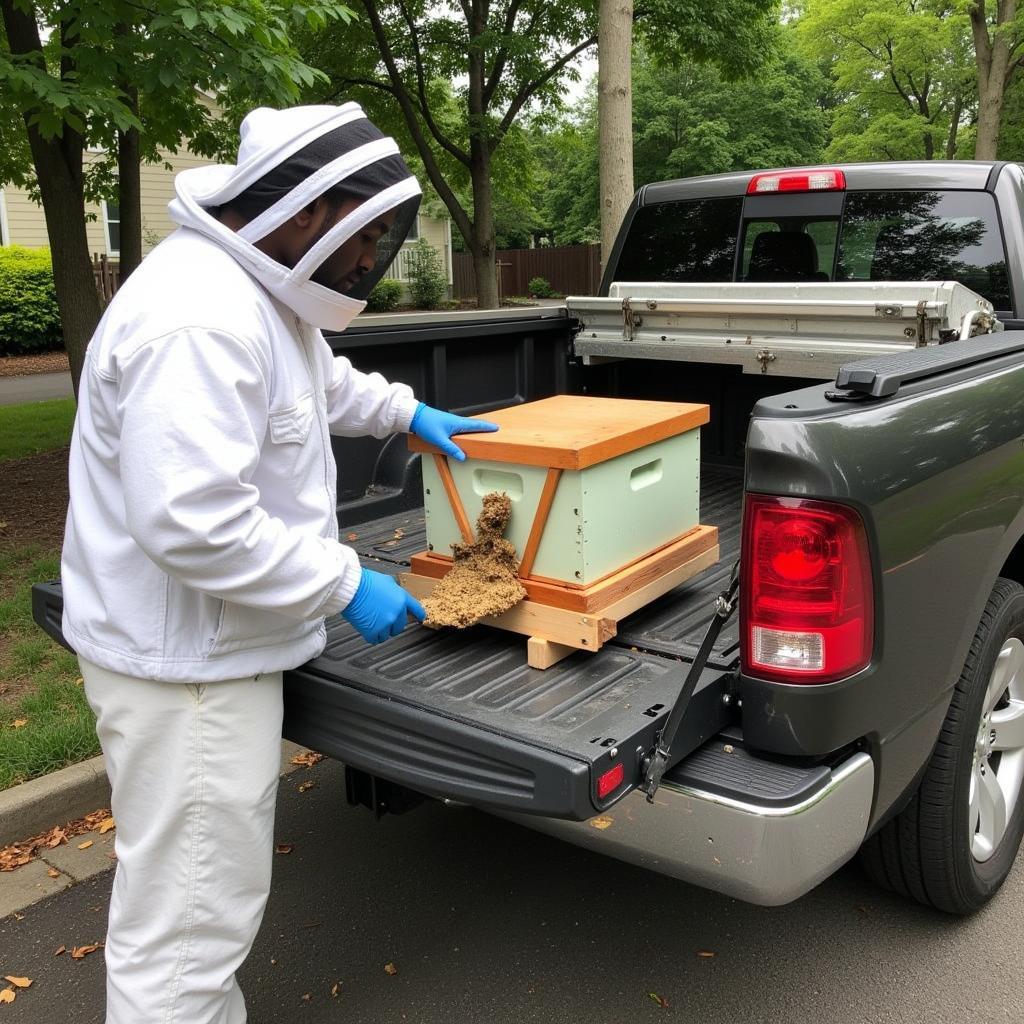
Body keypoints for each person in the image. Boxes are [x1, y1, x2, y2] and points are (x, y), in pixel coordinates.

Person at [60, 103, 497, 1024]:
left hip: (213, 652)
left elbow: (317, 382)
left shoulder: (254, 293)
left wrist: (404, 413)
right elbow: (194, 524)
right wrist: (345, 583)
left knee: (195, 910)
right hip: (190, 674)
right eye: (366, 233)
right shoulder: (198, 320)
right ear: (307, 212)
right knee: (187, 930)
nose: (371, 252)